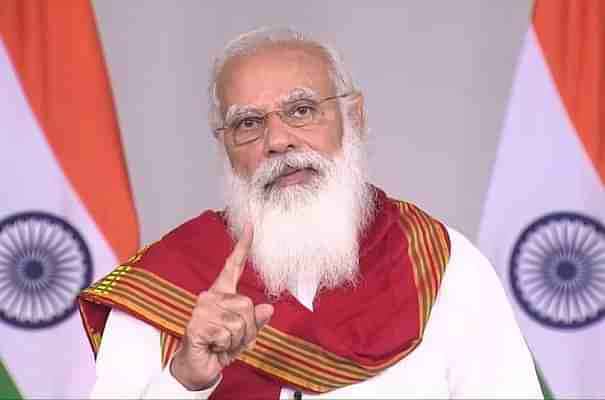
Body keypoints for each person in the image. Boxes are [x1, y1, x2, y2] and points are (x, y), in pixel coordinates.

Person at [79, 27, 544, 399]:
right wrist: (182, 381)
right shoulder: (169, 283)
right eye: (248, 123)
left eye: (300, 110)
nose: (278, 140)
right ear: (224, 144)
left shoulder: (441, 264)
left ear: (353, 117)